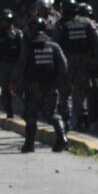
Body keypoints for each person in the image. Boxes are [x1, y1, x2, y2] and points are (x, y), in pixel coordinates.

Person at [11, 16, 68, 152]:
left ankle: (29, 144)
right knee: (52, 114)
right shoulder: (54, 46)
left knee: (31, 115)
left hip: (33, 86)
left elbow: (21, 66)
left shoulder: (29, 48)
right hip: (51, 86)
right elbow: (64, 65)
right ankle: (62, 138)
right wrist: (59, 82)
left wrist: (14, 82)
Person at [55, 0, 98, 132]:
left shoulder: (61, 24)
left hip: (67, 62)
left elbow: (56, 45)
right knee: (81, 92)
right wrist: (94, 59)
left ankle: (69, 120)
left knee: (65, 93)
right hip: (84, 62)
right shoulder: (86, 22)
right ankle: (82, 118)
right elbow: (97, 41)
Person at [0, 10, 24, 118]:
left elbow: (23, 50)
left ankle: (26, 111)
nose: (7, 23)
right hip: (4, 65)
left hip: (16, 64)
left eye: (9, 21)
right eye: (5, 21)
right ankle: (9, 112)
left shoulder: (18, 33)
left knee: (20, 89)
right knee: (5, 90)